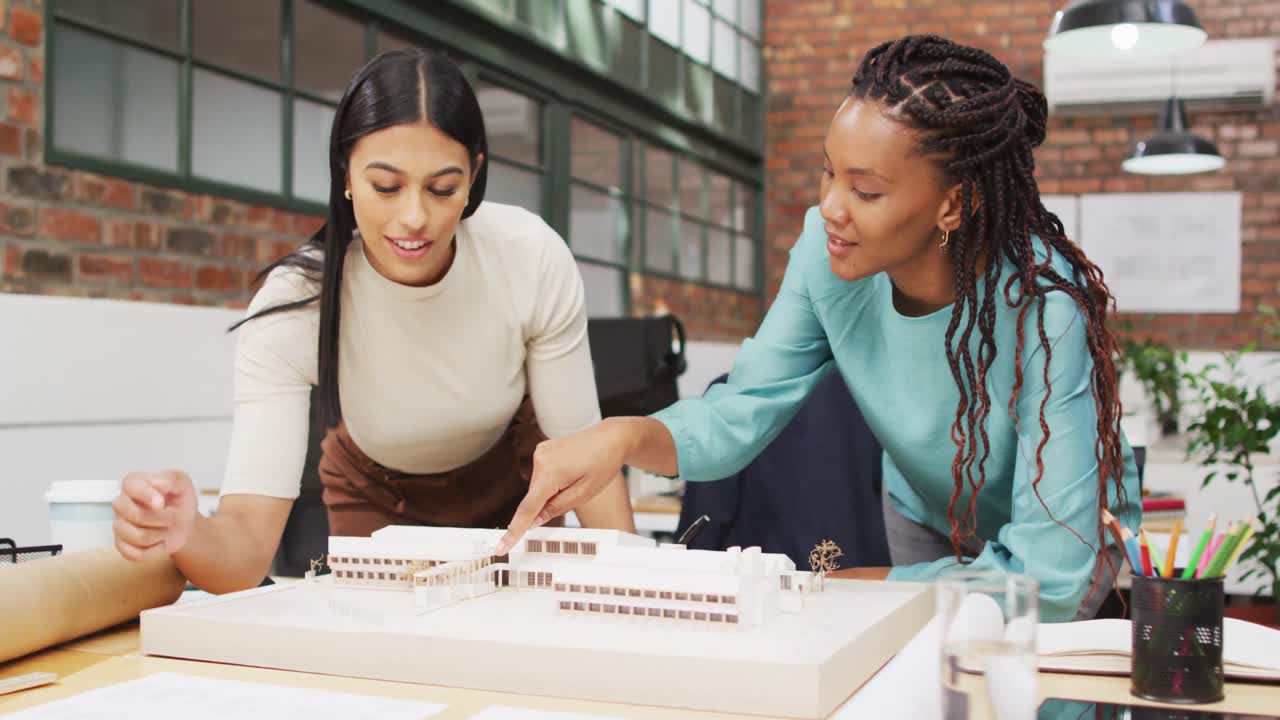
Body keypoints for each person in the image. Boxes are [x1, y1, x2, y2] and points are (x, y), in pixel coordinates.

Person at [498, 35, 1142, 623]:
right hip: (927, 516)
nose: (831, 207)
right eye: (828, 172)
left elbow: (1049, 578)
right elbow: (743, 408)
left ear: (953, 202)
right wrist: (622, 437)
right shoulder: (826, 257)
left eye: (865, 191)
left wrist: (878, 584)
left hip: (1065, 550)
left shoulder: (1045, 304)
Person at [110, 48, 634, 594]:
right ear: (346, 173)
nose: (414, 217)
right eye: (386, 186)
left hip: (519, 490)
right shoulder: (295, 303)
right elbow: (243, 557)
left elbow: (585, 462)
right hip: (379, 504)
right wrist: (183, 529)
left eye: (443, 188)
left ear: (475, 175)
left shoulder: (529, 257)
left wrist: (638, 587)